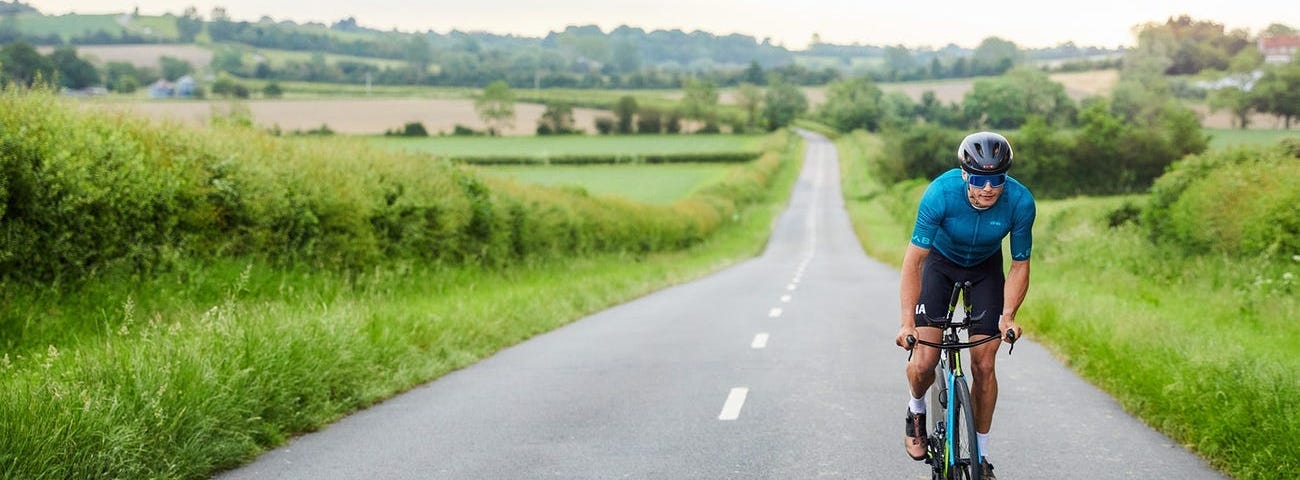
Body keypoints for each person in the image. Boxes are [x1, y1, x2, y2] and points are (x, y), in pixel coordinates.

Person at [894, 131, 1034, 479]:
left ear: (1006, 177)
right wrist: (907, 322)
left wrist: (1008, 316)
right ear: (964, 175)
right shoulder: (940, 194)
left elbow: (1019, 265)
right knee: (924, 360)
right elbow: (914, 263)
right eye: (979, 179)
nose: (988, 188)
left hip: (986, 269)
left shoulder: (1020, 202)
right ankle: (915, 412)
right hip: (940, 264)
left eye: (996, 179)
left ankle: (981, 456)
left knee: (984, 365)